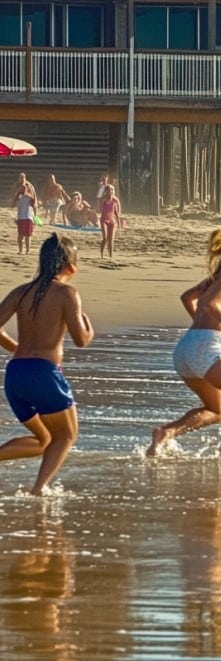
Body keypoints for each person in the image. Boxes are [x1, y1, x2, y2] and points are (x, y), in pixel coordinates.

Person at [148, 225, 221, 458]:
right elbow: (212, 304)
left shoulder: (218, 276)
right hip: (206, 349)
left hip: (186, 349)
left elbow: (188, 298)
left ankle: (166, 432)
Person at [0, 234, 94, 494]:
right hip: (44, 374)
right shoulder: (67, 293)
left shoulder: (21, 291)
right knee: (66, 436)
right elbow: (81, 340)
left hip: (16, 374)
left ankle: (38, 487)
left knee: (45, 439)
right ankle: (39, 489)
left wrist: (18, 349)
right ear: (71, 267)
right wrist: (88, 327)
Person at [11, 181, 37, 255]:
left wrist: (35, 217)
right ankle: (20, 250)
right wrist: (18, 193)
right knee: (20, 235)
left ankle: (27, 251)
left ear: (27, 188)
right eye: (22, 188)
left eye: (24, 188)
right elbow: (12, 204)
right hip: (21, 218)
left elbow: (34, 203)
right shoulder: (19, 196)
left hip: (28, 217)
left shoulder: (29, 196)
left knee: (28, 236)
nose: (23, 189)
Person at [98, 185, 121, 258]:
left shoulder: (115, 200)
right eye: (109, 190)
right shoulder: (104, 200)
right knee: (105, 238)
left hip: (112, 221)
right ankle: (101, 254)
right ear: (106, 191)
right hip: (104, 220)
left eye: (112, 190)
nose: (110, 191)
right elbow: (100, 207)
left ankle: (110, 256)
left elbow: (116, 212)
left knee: (111, 240)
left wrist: (119, 222)